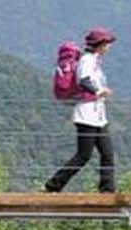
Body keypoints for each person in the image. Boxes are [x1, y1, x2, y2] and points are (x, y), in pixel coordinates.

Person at [44, 27, 117, 193]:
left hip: (98, 115)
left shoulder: (94, 61)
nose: (108, 47)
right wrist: (100, 92)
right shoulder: (87, 60)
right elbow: (83, 81)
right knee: (83, 156)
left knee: (107, 153)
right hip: (86, 115)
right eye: (106, 43)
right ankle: (53, 184)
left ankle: (107, 190)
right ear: (100, 44)